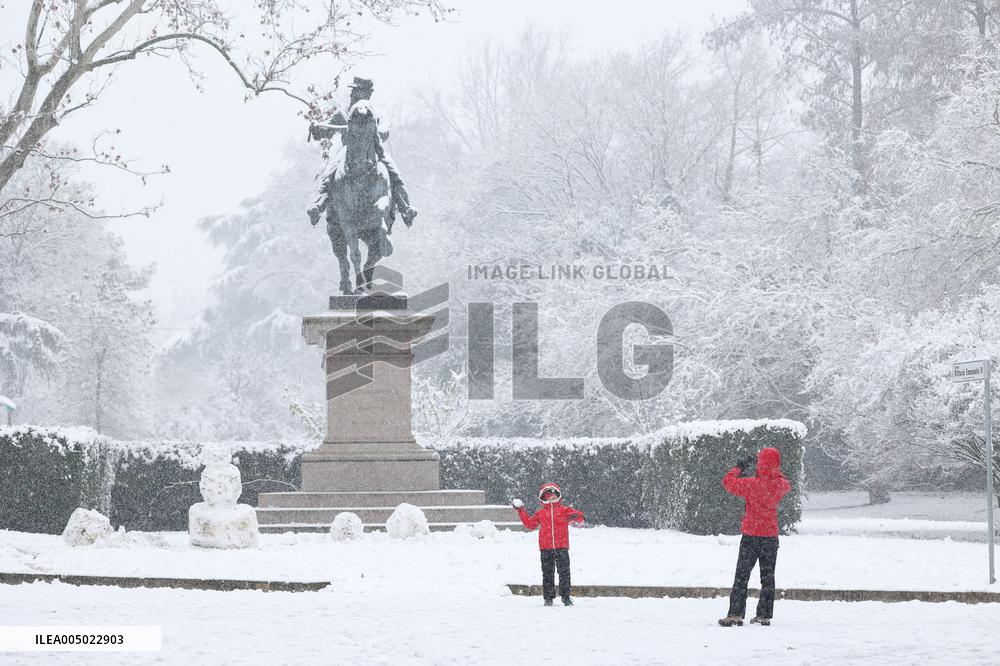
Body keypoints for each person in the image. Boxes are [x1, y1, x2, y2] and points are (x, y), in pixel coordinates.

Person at [306, 77, 418, 228]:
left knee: (394, 173)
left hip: (374, 149)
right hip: (347, 151)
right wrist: (318, 128)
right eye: (352, 90)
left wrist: (373, 131)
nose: (352, 94)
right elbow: (327, 128)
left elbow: (385, 131)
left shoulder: (377, 114)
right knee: (329, 174)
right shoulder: (343, 113)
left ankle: (405, 209)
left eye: (356, 90)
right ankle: (318, 206)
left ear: (367, 94)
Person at [718, 447, 791, 627]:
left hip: (751, 534)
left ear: (760, 463)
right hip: (770, 536)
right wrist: (773, 472)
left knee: (742, 575)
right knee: (768, 577)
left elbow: (728, 482)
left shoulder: (752, 484)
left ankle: (735, 614)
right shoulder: (780, 485)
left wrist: (739, 467)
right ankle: (764, 615)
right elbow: (785, 483)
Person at [512, 483, 584, 607]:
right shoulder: (540, 513)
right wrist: (521, 510)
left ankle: (566, 597)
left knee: (564, 573)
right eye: (548, 494)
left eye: (554, 494)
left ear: (558, 495)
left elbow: (580, 517)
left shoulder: (564, 510)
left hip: (562, 546)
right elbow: (530, 524)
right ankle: (548, 598)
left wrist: (577, 516)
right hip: (546, 547)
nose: (551, 496)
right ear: (543, 497)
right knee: (547, 573)